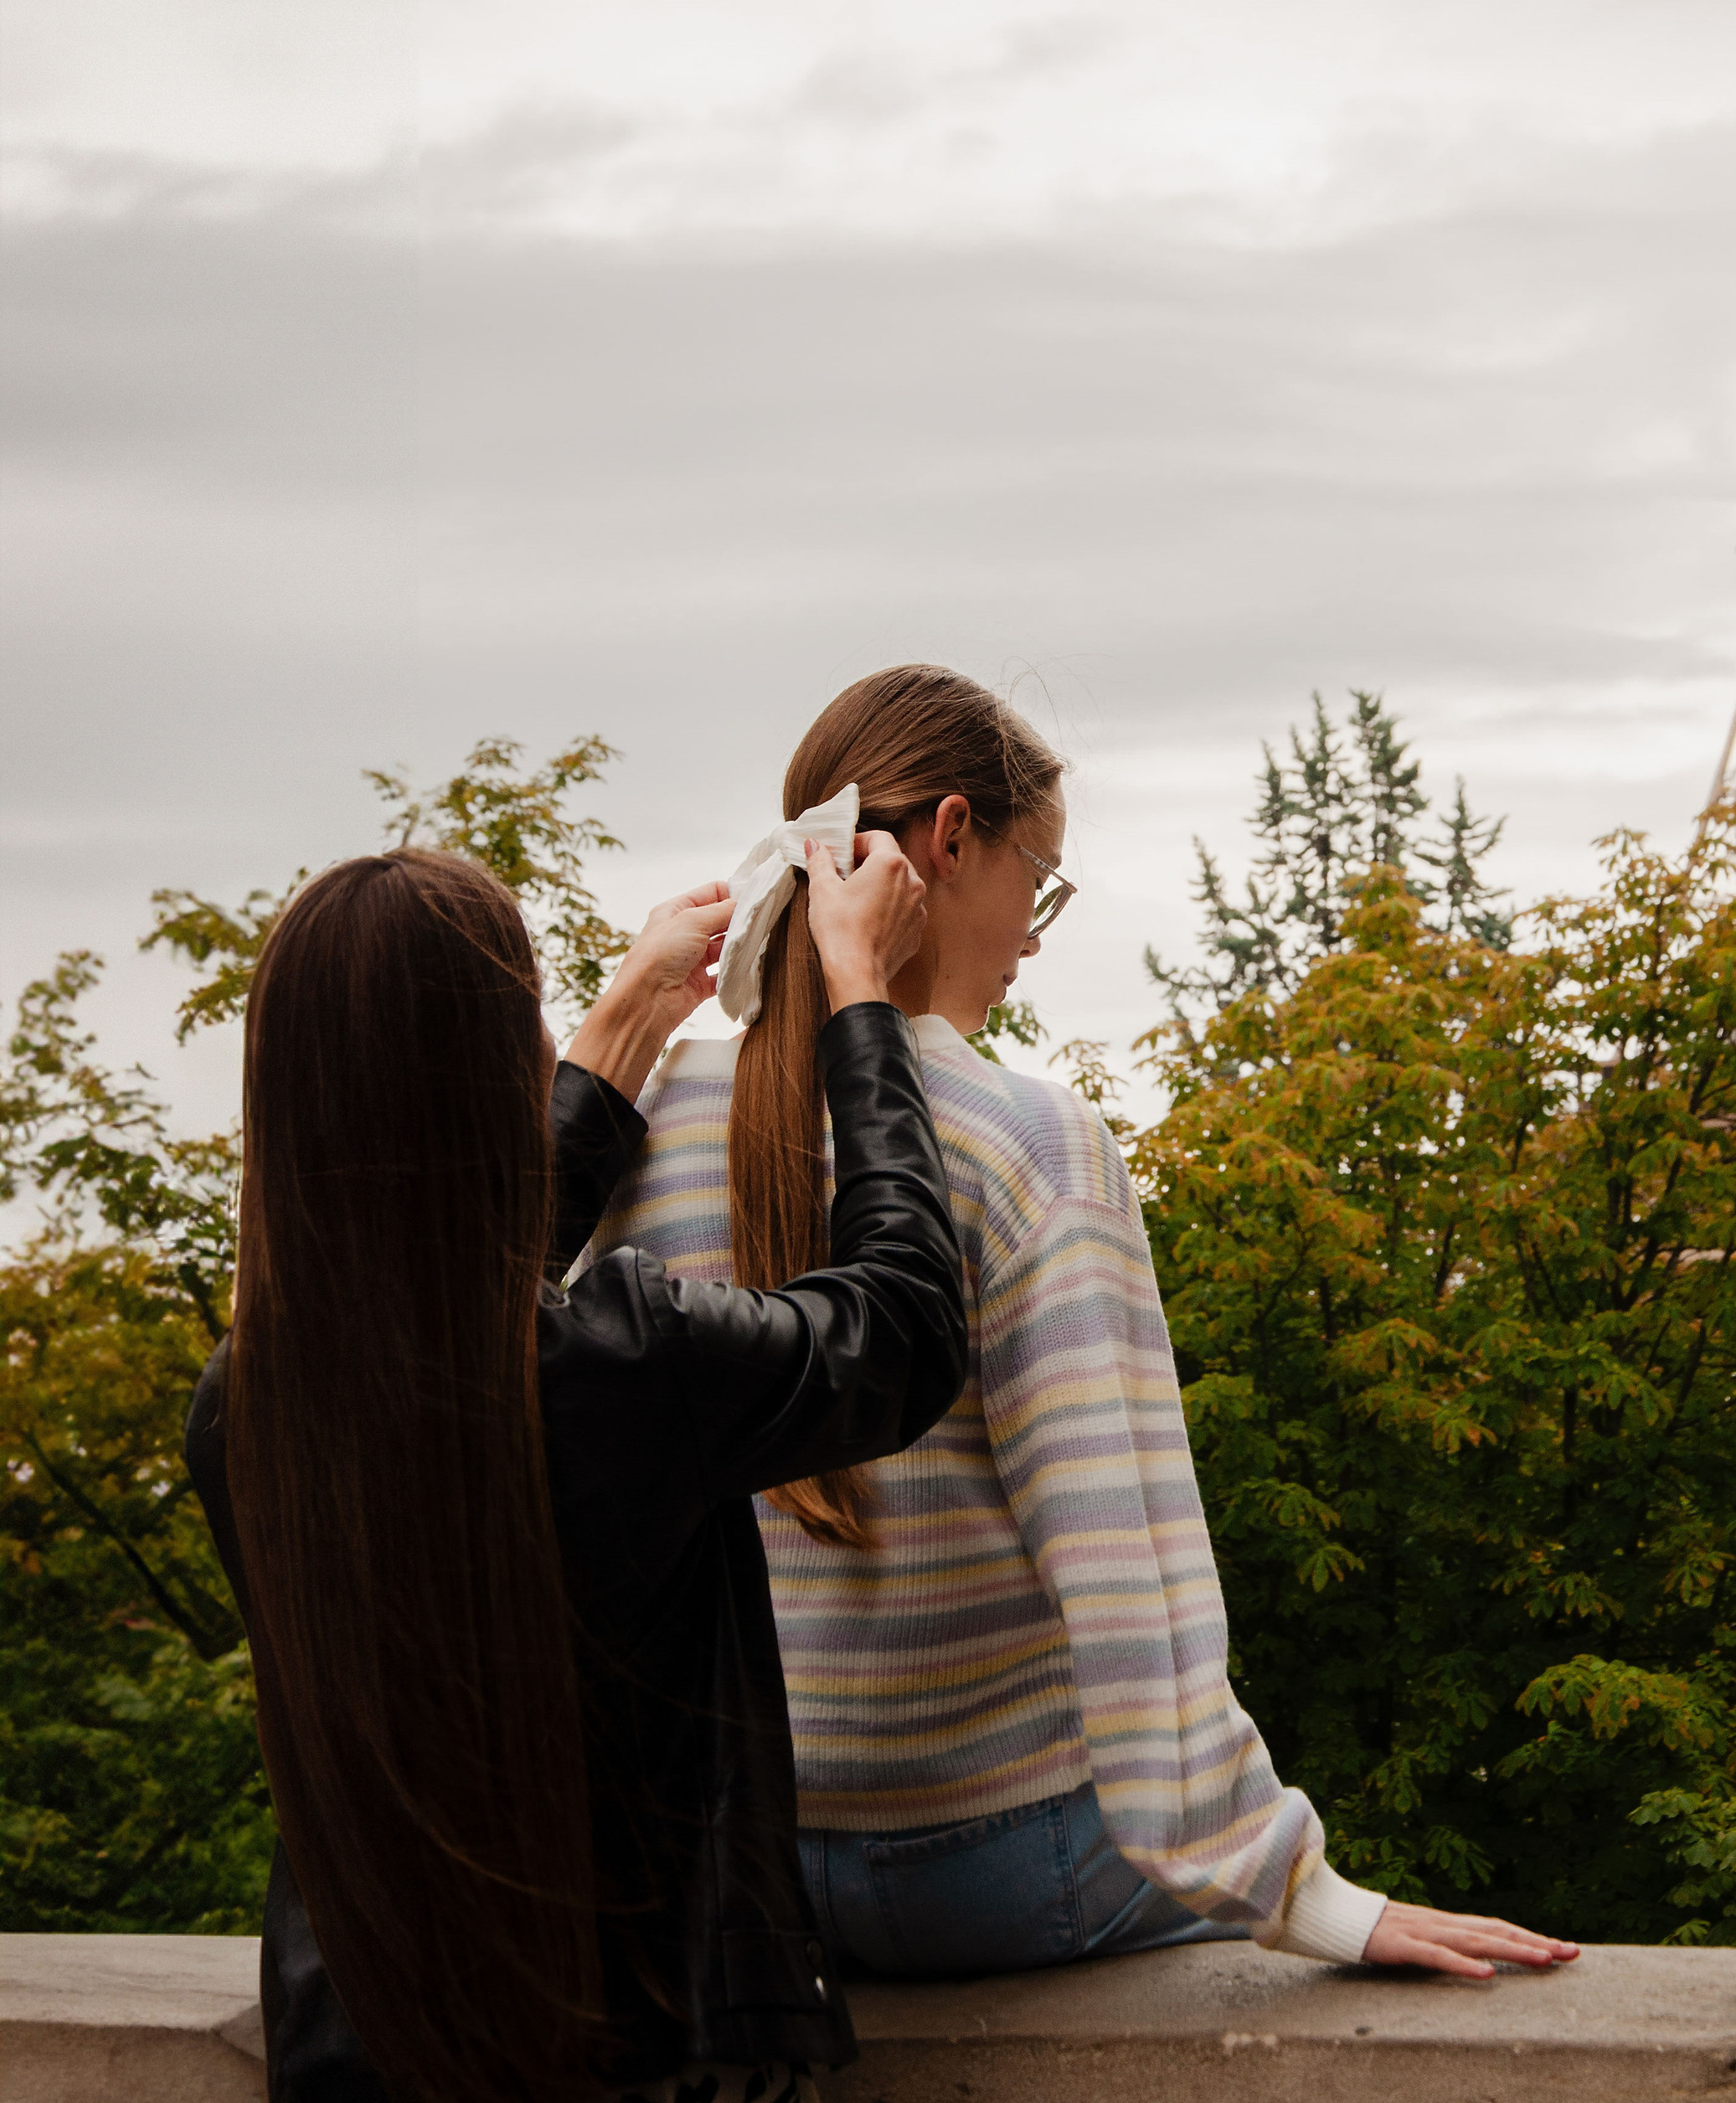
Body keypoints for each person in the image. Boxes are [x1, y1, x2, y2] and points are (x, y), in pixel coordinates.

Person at [586, 665, 1579, 1984]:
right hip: (989, 1867)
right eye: (1038, 881)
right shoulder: (1024, 1142)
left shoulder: (643, 1125)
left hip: (737, 1863)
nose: (1035, 936)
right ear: (951, 839)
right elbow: (1119, 1557)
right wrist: (1299, 1892)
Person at [185, 829, 967, 2103]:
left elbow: (444, 1307)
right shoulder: (626, 1364)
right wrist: (859, 996)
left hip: (357, 2060)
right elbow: (904, 1325)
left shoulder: (244, 1411)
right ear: (496, 1073)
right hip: (650, 2063)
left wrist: (630, 1017)